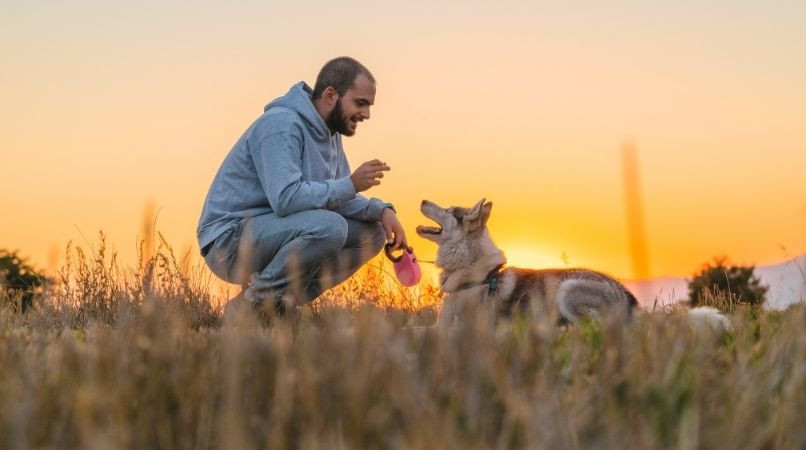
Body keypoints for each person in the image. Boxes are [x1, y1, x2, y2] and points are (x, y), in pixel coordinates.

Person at [197, 57, 406, 313]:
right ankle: (252, 303)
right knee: (330, 227)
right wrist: (351, 183)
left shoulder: (331, 134)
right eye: (360, 103)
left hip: (275, 231)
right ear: (331, 95)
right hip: (227, 242)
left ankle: (281, 302)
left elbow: (337, 197)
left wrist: (381, 211)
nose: (366, 114)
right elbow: (286, 199)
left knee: (372, 234)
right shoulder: (281, 125)